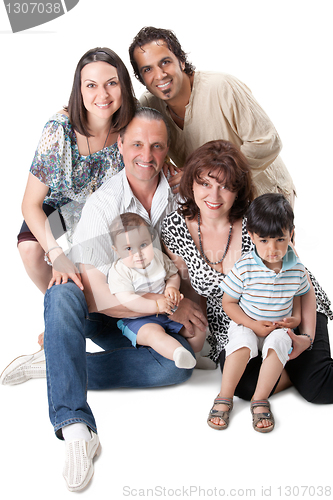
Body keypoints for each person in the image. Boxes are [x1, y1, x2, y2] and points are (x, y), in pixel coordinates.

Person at [4, 108, 207, 492]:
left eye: (156, 146)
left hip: (149, 316)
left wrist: (181, 304)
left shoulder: (179, 196)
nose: (145, 155)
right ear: (120, 146)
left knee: (178, 367)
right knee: (63, 292)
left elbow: (187, 260)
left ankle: (58, 364)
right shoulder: (104, 203)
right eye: (136, 144)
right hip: (108, 309)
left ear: (167, 152)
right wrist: (161, 303)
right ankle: (76, 427)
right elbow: (95, 295)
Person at [161, 139, 333, 408]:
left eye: (225, 187)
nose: (214, 196)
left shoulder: (255, 220)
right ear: (190, 183)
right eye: (205, 184)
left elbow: (304, 283)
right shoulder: (174, 228)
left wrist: (306, 337)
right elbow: (186, 282)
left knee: (320, 387)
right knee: (242, 385)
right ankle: (289, 370)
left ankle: (302, 370)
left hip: (290, 308)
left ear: (238, 190)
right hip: (235, 323)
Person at [129, 26, 295, 204]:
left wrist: (201, 173)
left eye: (165, 62)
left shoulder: (222, 87)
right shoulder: (150, 105)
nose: (160, 75)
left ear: (181, 61)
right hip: (214, 202)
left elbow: (268, 142)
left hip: (262, 196)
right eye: (147, 70)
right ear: (141, 79)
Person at [208, 193, 312, 433]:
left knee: (278, 344)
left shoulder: (296, 268)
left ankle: (260, 399)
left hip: (278, 327)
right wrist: (252, 325)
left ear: (291, 234)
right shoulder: (245, 266)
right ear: (252, 236)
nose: (272, 249)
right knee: (242, 343)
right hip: (248, 323)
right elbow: (229, 303)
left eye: (280, 239)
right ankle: (225, 396)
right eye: (264, 240)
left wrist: (295, 319)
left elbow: (297, 295)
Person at [109, 212, 205, 368]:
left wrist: (171, 287)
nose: (138, 254)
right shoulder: (120, 271)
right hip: (138, 319)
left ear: (151, 239)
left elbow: (173, 274)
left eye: (143, 245)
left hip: (169, 311)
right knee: (154, 334)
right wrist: (156, 307)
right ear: (116, 250)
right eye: (128, 248)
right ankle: (178, 353)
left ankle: (196, 359)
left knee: (198, 328)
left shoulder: (158, 258)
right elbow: (127, 300)